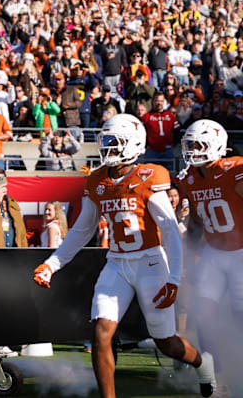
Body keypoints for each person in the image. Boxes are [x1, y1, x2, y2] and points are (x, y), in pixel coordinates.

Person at [32, 114, 215, 398]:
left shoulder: (149, 176)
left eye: (114, 143)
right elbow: (82, 229)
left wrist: (174, 279)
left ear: (133, 144)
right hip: (117, 263)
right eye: (106, 142)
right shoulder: (98, 181)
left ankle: (203, 365)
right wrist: (51, 264)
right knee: (101, 333)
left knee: (165, 342)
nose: (108, 149)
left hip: (151, 262)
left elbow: (168, 231)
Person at [178, 119, 243, 392]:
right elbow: (195, 220)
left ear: (217, 145)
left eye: (200, 144)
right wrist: (187, 251)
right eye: (190, 144)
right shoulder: (190, 179)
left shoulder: (234, 169)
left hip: (240, 253)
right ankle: (213, 377)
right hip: (213, 252)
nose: (193, 149)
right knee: (203, 313)